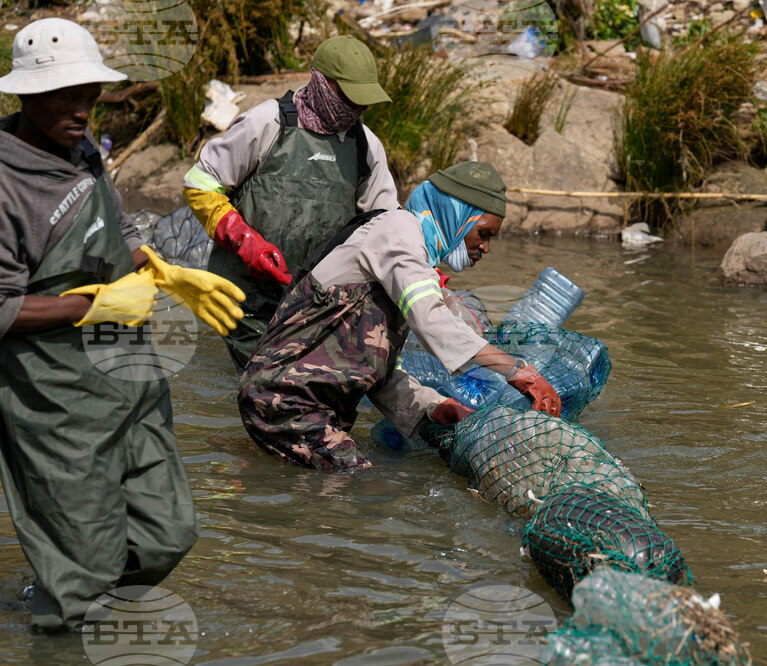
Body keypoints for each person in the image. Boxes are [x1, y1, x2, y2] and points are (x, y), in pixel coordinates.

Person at [0, 18, 245, 630]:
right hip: (55, 404)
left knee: (169, 534)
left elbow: (114, 230)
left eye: (89, 96)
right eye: (67, 97)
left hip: (130, 382)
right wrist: (94, 307)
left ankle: (68, 600)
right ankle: (62, 621)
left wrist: (160, 270)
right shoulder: (6, 186)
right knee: (83, 577)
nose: (82, 111)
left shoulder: (82, 150)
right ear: (26, 96)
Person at [239, 161, 562, 470]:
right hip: (284, 400)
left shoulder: (407, 258)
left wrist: (430, 406)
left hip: (308, 407)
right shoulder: (399, 231)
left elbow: (374, 370)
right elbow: (432, 319)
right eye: (484, 233)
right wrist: (517, 370)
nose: (485, 248)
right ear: (457, 216)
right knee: (363, 488)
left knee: (363, 487)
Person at [183, 35, 399, 369]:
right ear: (322, 83)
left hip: (316, 303)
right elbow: (200, 183)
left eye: (363, 101)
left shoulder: (366, 146)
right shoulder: (266, 122)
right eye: (349, 97)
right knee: (263, 381)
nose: (358, 109)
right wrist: (246, 241)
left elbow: (386, 225)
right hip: (246, 299)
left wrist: (416, 269)